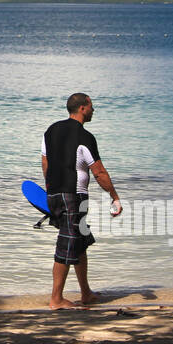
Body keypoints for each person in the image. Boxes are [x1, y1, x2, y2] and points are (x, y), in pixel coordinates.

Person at [42, 93, 122, 310]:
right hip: (73, 196)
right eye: (91, 106)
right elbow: (99, 172)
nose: (93, 110)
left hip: (55, 194)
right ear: (82, 108)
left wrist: (50, 188)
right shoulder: (85, 137)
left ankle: (85, 293)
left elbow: (45, 160)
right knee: (67, 243)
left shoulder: (51, 131)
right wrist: (114, 197)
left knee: (80, 242)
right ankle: (56, 299)